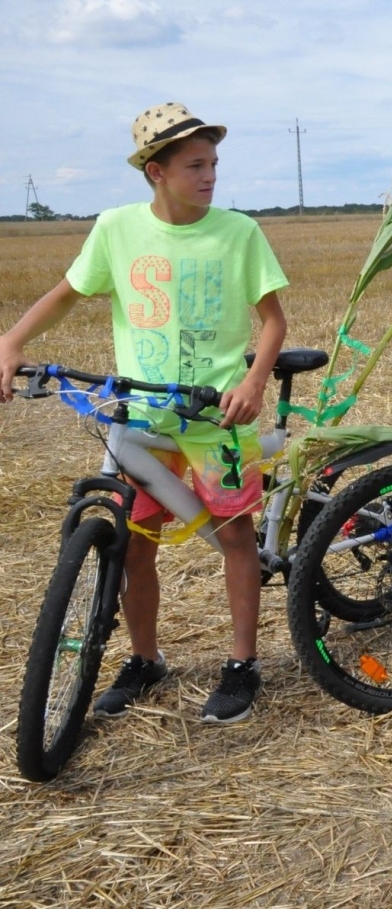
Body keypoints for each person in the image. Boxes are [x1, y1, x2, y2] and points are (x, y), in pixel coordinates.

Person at [0, 102, 289, 723]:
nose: (210, 176)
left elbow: (273, 321)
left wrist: (255, 381)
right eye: (195, 166)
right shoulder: (116, 228)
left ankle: (242, 665)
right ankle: (145, 658)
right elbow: (66, 294)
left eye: (213, 164)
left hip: (215, 418)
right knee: (136, 544)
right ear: (156, 171)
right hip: (145, 418)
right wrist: (11, 341)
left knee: (236, 538)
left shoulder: (239, 232)